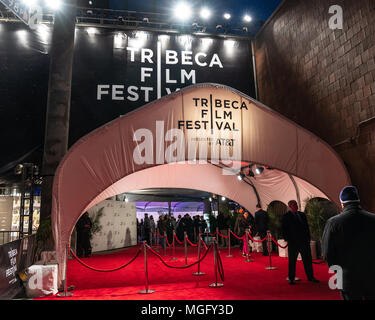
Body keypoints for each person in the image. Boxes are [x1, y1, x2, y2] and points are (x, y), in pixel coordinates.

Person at [322, 186, 375, 300]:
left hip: (347, 276)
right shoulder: (373, 219)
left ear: (342, 204)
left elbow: (327, 253)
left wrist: (338, 271)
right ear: (358, 200)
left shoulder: (333, 223)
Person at [282, 200, 319, 285]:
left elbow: (306, 227)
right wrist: (288, 239)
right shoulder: (286, 216)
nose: (296, 206)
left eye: (296, 204)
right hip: (293, 242)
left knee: (307, 260)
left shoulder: (302, 215)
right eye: (294, 204)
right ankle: (291, 278)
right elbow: (284, 229)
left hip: (304, 242)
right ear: (290, 206)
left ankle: (311, 277)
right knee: (292, 261)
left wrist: (308, 238)